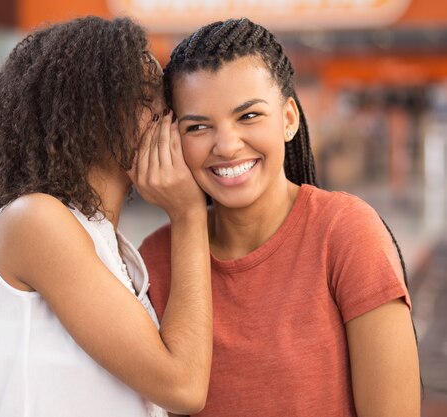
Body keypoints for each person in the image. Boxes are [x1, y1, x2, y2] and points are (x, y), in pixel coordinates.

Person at [140, 18, 420, 417]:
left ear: (288, 119)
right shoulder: (154, 259)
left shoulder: (346, 232)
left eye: (248, 116)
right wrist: (186, 218)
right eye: (198, 126)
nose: (227, 145)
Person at [0, 16, 212, 417]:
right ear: (87, 110)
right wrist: (187, 215)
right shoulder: (36, 219)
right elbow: (183, 385)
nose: (166, 115)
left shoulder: (105, 240)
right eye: (147, 96)